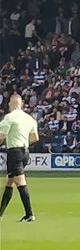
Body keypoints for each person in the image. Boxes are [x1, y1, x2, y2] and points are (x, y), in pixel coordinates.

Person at [0, 94, 38, 222]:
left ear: (11, 103)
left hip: (14, 152)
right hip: (25, 151)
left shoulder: (9, 118)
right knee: (10, 182)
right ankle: (0, 214)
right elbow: (35, 138)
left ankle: (29, 214)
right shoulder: (29, 119)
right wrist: (23, 141)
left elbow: (1, 136)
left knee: (20, 182)